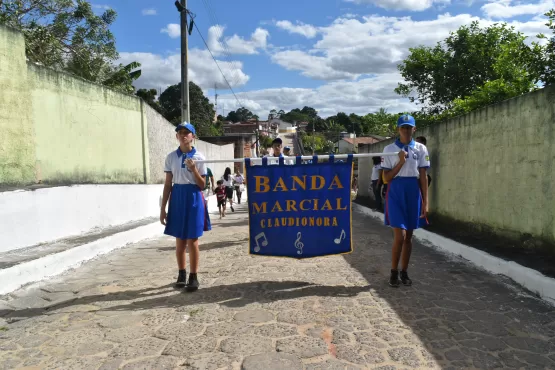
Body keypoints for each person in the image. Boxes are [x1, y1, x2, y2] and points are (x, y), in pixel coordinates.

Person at [381, 114, 430, 288]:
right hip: (396, 191)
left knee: (409, 236)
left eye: (409, 127)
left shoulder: (421, 148)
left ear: (414, 129)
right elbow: (386, 178)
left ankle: (404, 272)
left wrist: (425, 201)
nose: (406, 130)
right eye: (403, 127)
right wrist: (400, 162)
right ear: (398, 129)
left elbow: (423, 176)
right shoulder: (389, 149)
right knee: (400, 236)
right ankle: (393, 272)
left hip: (413, 191)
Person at [160, 122, 209, 292]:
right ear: (176, 136)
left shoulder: (200, 157)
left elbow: (202, 185)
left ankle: (193, 276)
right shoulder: (171, 157)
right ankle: (181, 273)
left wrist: (194, 169)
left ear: (193, 137)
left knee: (192, 240)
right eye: (180, 132)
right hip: (178, 196)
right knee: (179, 240)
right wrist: (162, 208)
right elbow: (168, 184)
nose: (183, 135)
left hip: (194, 196)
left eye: (187, 133)